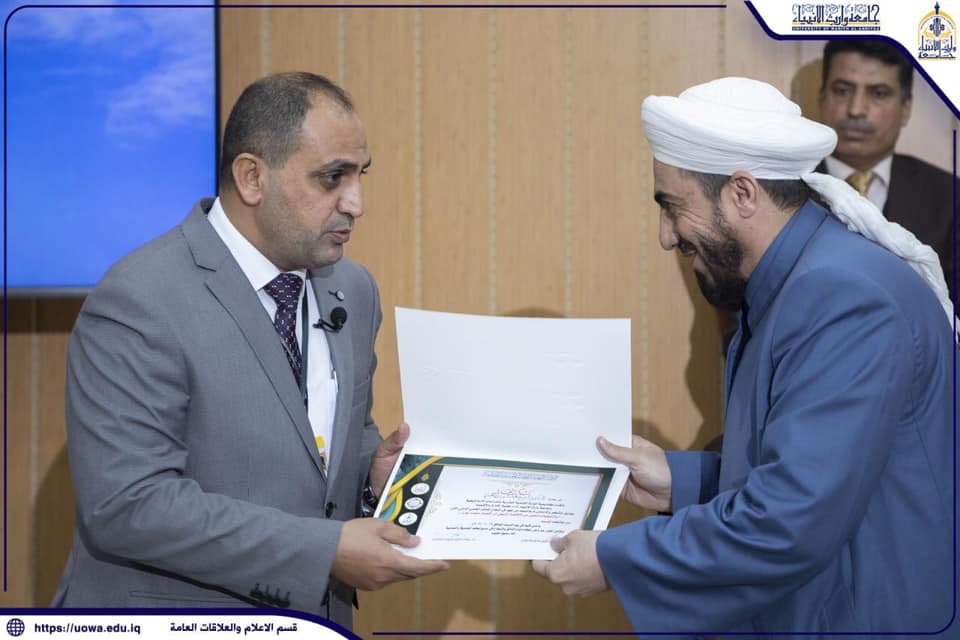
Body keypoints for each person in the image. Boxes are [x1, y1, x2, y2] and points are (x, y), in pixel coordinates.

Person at [532, 77, 957, 635]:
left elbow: (789, 521)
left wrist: (614, 559)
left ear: (742, 193)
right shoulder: (798, 281)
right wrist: (679, 479)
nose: (665, 236)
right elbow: (817, 472)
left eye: (673, 207)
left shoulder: (844, 298)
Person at [52, 72, 448, 628]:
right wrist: (325, 551)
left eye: (360, 175)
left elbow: (325, 441)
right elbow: (128, 505)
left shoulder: (353, 289)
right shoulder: (139, 298)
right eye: (332, 178)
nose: (355, 203)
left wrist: (370, 477)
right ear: (252, 177)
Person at [818, 39, 956, 300]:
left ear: (906, 108)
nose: (856, 110)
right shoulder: (780, 187)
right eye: (842, 90)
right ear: (822, 97)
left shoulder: (949, 197)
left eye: (879, 93)